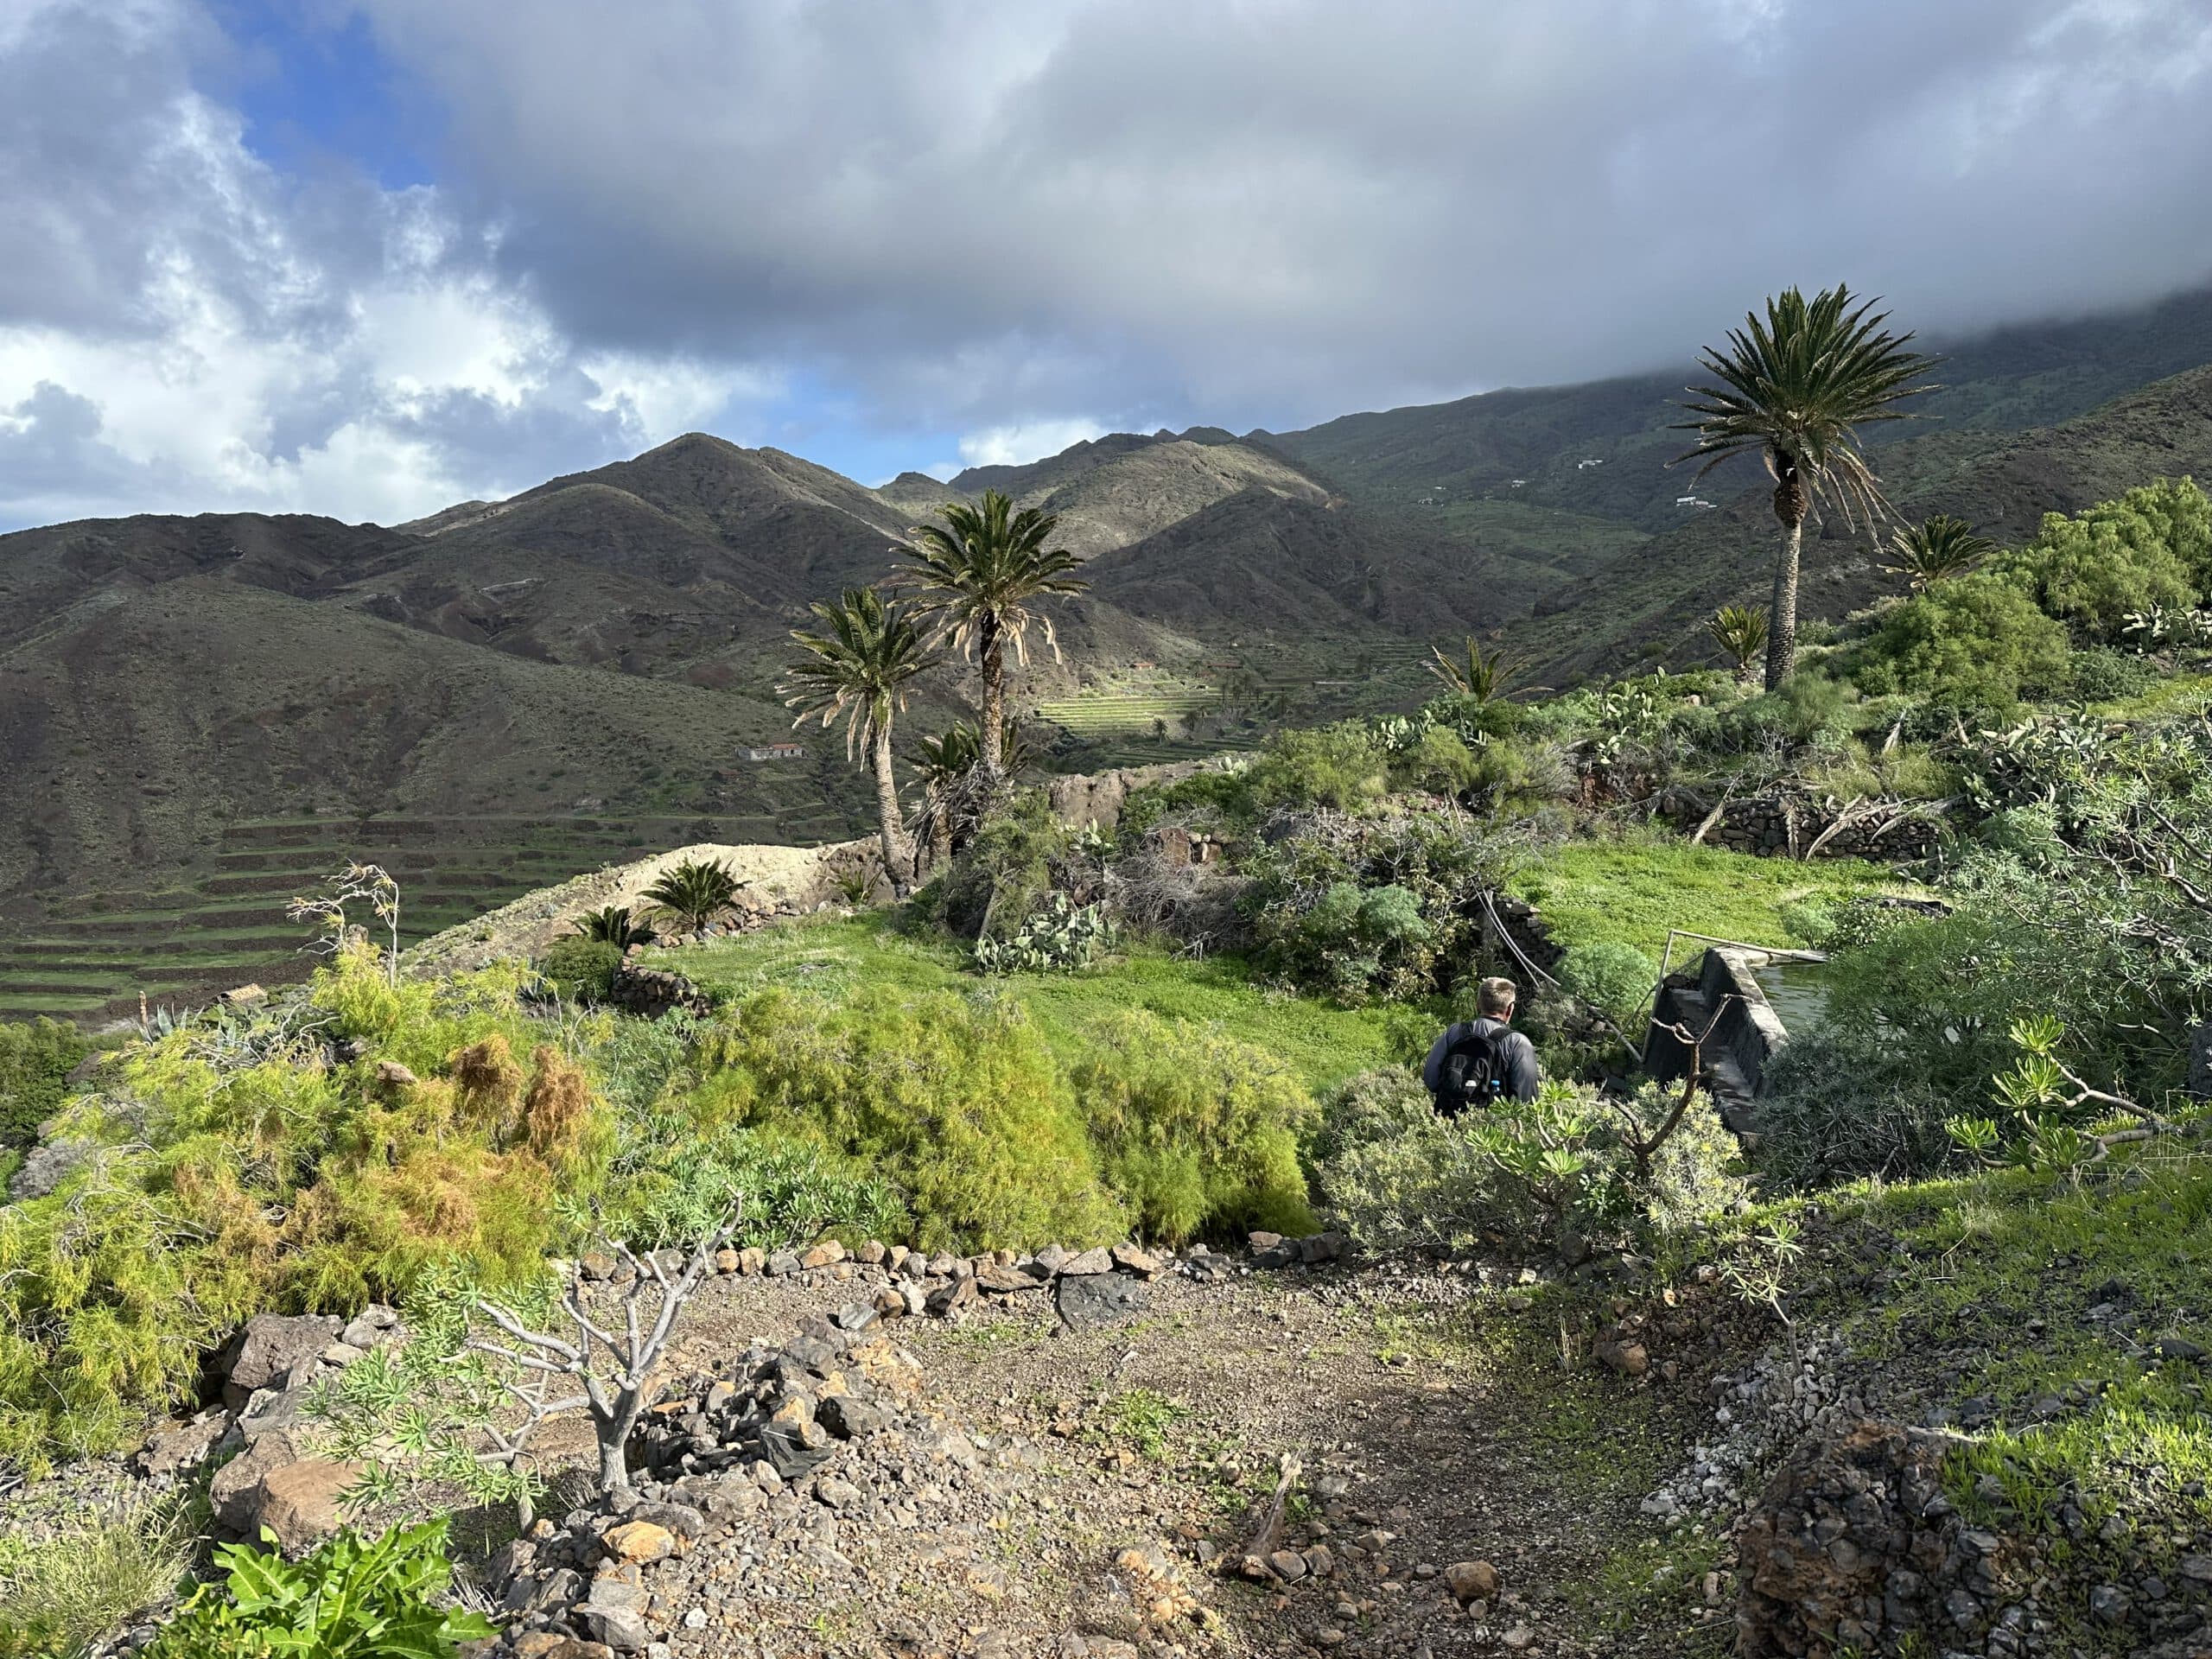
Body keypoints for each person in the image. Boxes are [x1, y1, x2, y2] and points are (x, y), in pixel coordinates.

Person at [1422, 976, 1541, 1116]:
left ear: (1478, 1004)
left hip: (1449, 1125)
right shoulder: (1517, 1043)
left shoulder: (1454, 1032)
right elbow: (1526, 1101)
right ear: (1510, 1009)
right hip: (1492, 1131)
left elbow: (1431, 1080)